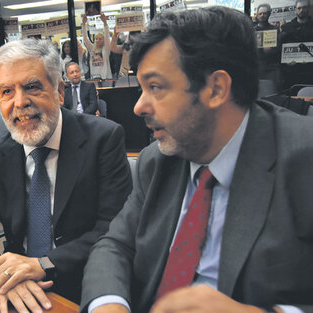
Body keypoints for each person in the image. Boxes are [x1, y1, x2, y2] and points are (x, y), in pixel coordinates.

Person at [81, 6, 313, 313]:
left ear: (215, 89)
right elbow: (116, 245)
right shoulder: (156, 160)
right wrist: (109, 304)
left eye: (155, 87)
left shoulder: (302, 157)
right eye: (141, 88)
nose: (138, 106)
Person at [0, 38, 132, 313]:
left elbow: (113, 229)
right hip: (17, 288)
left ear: (59, 91)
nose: (20, 102)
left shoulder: (103, 139)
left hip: (85, 283)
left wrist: (43, 264)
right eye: (7, 92)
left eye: (32, 87)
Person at [280, 0, 313, 89]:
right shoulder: (286, 27)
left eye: (304, 7)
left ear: (308, 9)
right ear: (295, 10)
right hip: (291, 72)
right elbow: (280, 49)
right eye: (299, 8)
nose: (302, 10)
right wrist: (285, 63)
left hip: (310, 72)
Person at [254, 3, 281, 93]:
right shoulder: (251, 30)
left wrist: (271, 50)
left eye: (265, 13)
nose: (262, 15)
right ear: (257, 15)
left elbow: (280, 49)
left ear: (269, 14)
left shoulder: (275, 30)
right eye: (260, 13)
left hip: (272, 68)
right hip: (256, 67)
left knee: (272, 93)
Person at [82, 13, 112, 80]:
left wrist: (105, 23)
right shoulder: (92, 49)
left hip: (106, 78)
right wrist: (83, 24)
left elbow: (107, 36)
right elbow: (85, 38)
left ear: (103, 40)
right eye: (96, 38)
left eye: (100, 39)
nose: (97, 40)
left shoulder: (106, 49)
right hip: (94, 77)